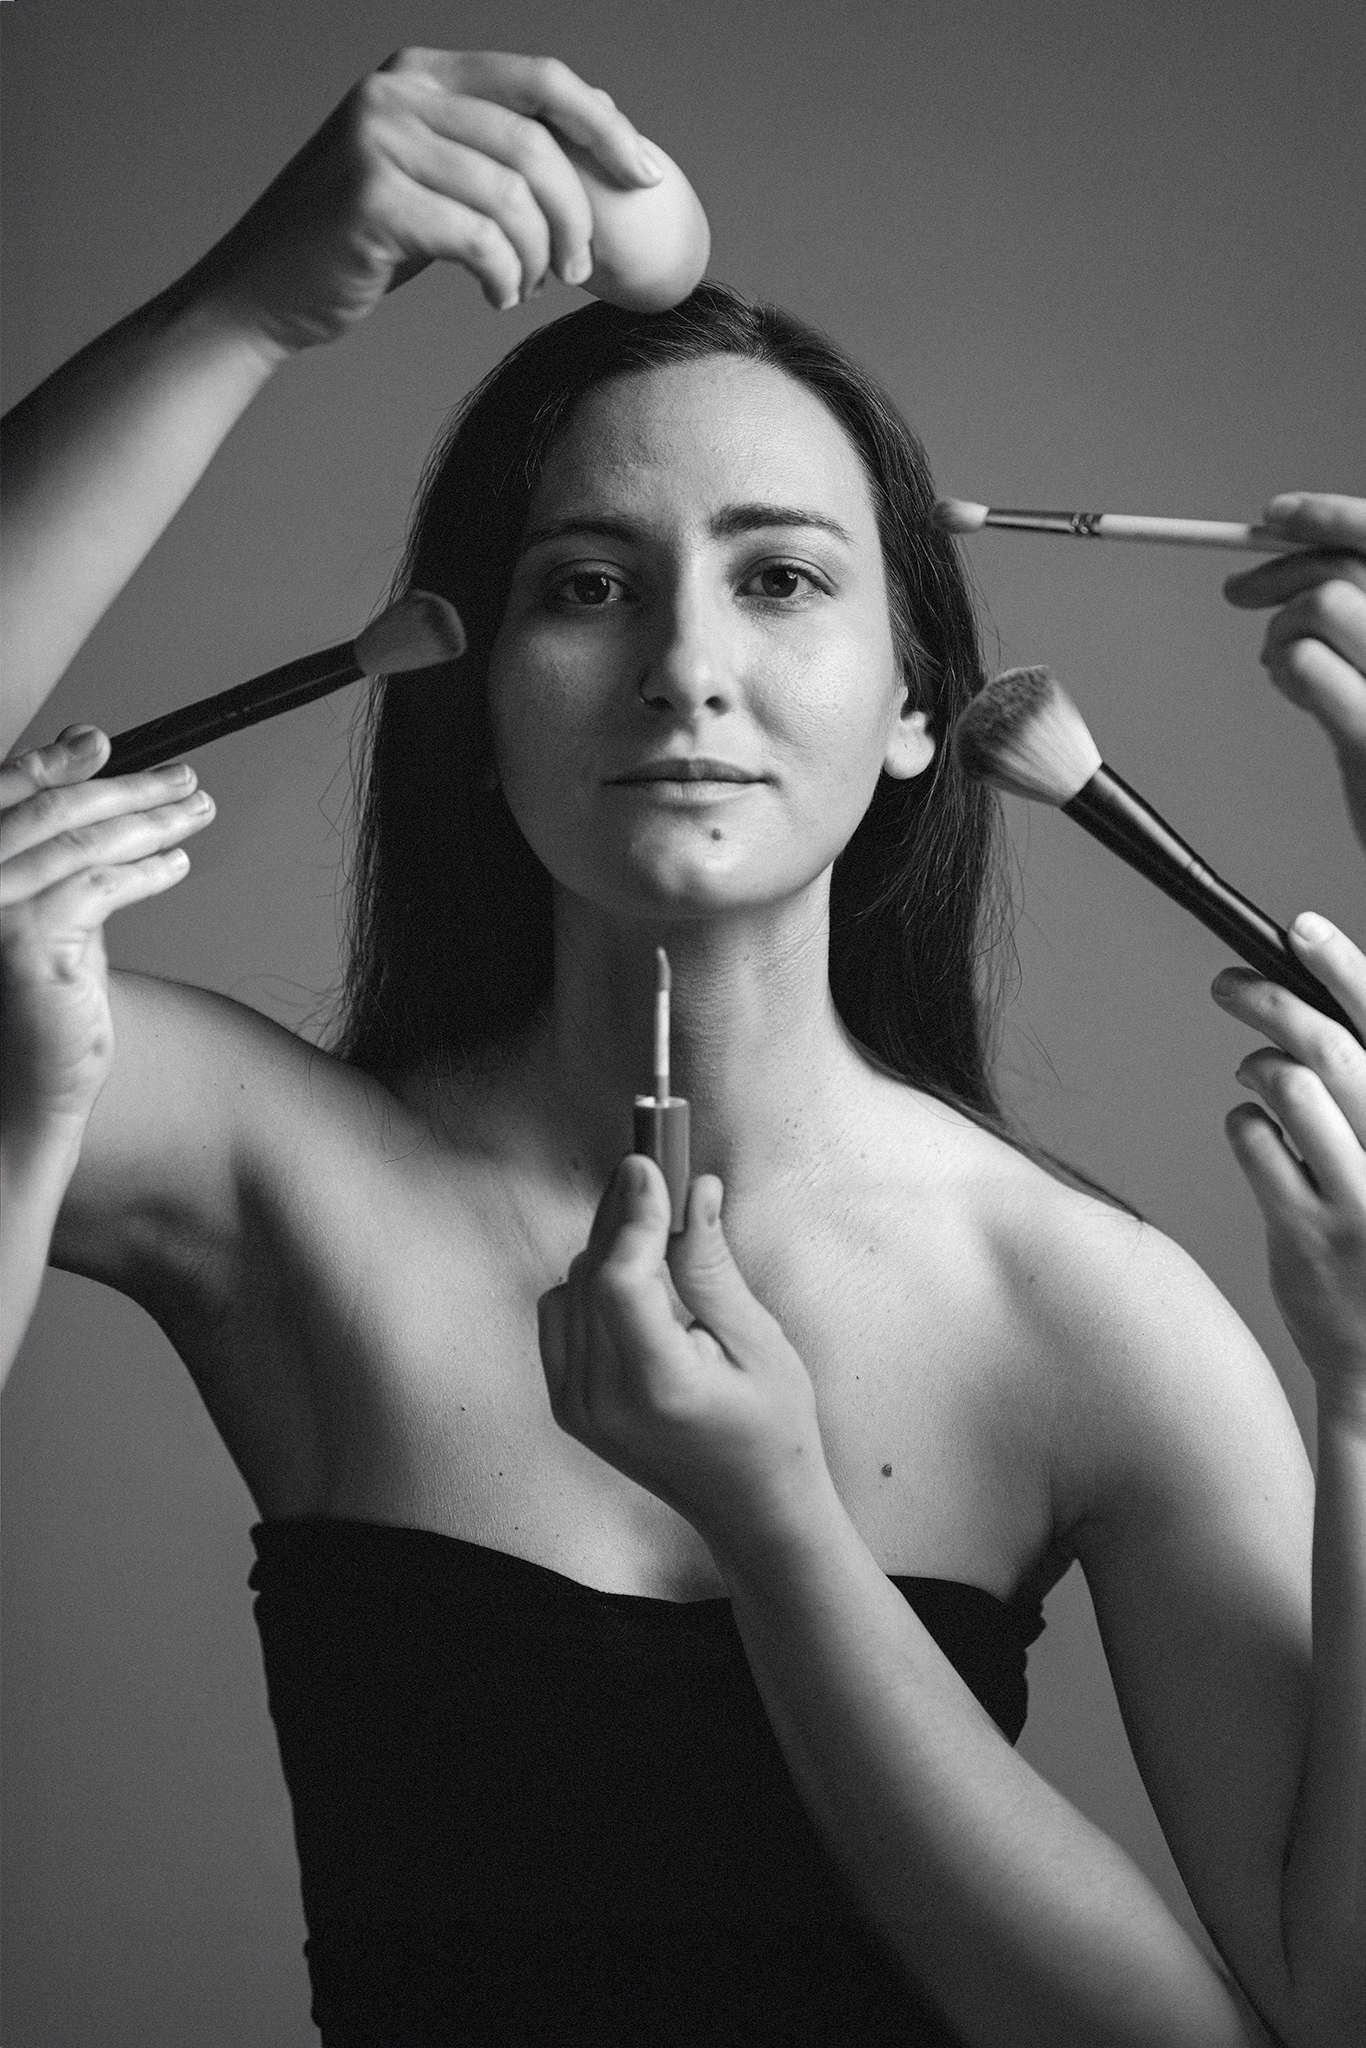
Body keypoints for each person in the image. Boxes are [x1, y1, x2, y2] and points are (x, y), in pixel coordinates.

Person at [1, 45, 1362, 2048]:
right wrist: (247, 305)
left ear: (921, 708)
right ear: (468, 689)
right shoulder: (265, 1171)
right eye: (583, 584)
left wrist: (1360, 1403)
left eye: (783, 576)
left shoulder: (1087, 1311)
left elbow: (1324, 2010)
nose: (686, 664)